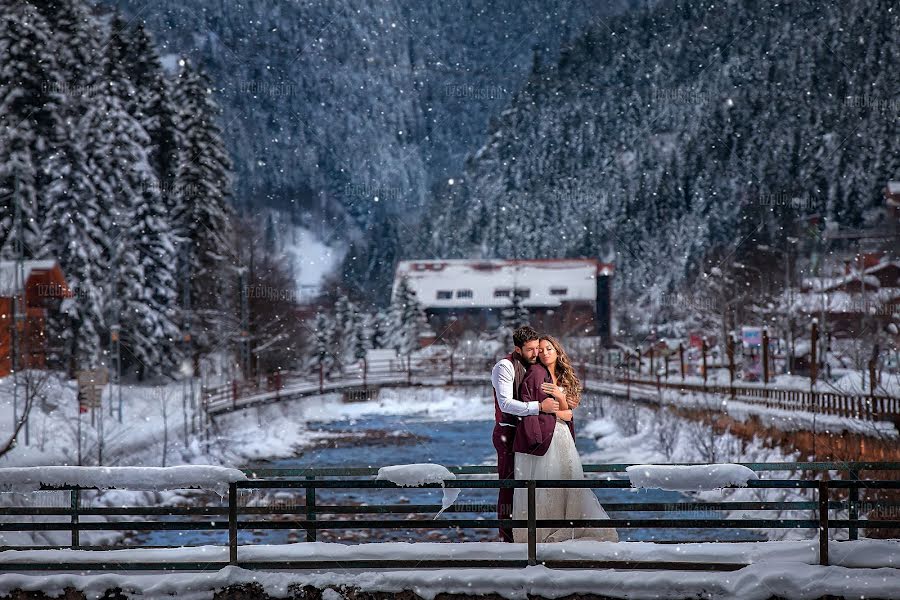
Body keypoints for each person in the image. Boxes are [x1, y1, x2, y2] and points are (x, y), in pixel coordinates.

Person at [511, 335, 619, 543]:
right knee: (549, 480)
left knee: (568, 479)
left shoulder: (561, 375)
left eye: (549, 348)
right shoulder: (537, 373)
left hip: (561, 434)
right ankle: (544, 530)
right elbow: (542, 409)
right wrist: (557, 411)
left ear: (557, 351)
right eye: (540, 350)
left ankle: (568, 524)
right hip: (550, 434)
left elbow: (569, 410)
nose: (544, 353)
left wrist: (560, 399)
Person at [490, 325, 560, 542]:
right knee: (509, 486)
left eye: (536, 349)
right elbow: (506, 404)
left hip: (526, 433)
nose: (535, 353)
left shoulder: (534, 364)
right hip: (507, 432)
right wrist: (539, 407)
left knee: (528, 485)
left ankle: (528, 533)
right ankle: (507, 537)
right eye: (530, 349)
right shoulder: (505, 366)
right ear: (517, 349)